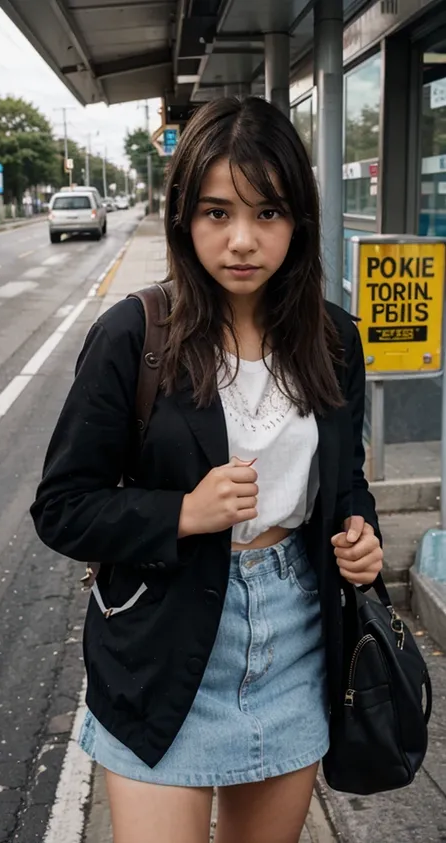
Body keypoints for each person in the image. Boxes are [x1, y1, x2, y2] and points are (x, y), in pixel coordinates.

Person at [30, 96, 383, 843]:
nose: (243, 240)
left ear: (301, 219)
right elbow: (62, 505)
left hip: (296, 632)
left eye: (268, 212)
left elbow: (346, 483)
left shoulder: (334, 341)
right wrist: (183, 512)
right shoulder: (135, 333)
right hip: (162, 637)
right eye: (218, 212)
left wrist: (362, 540)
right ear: (184, 217)